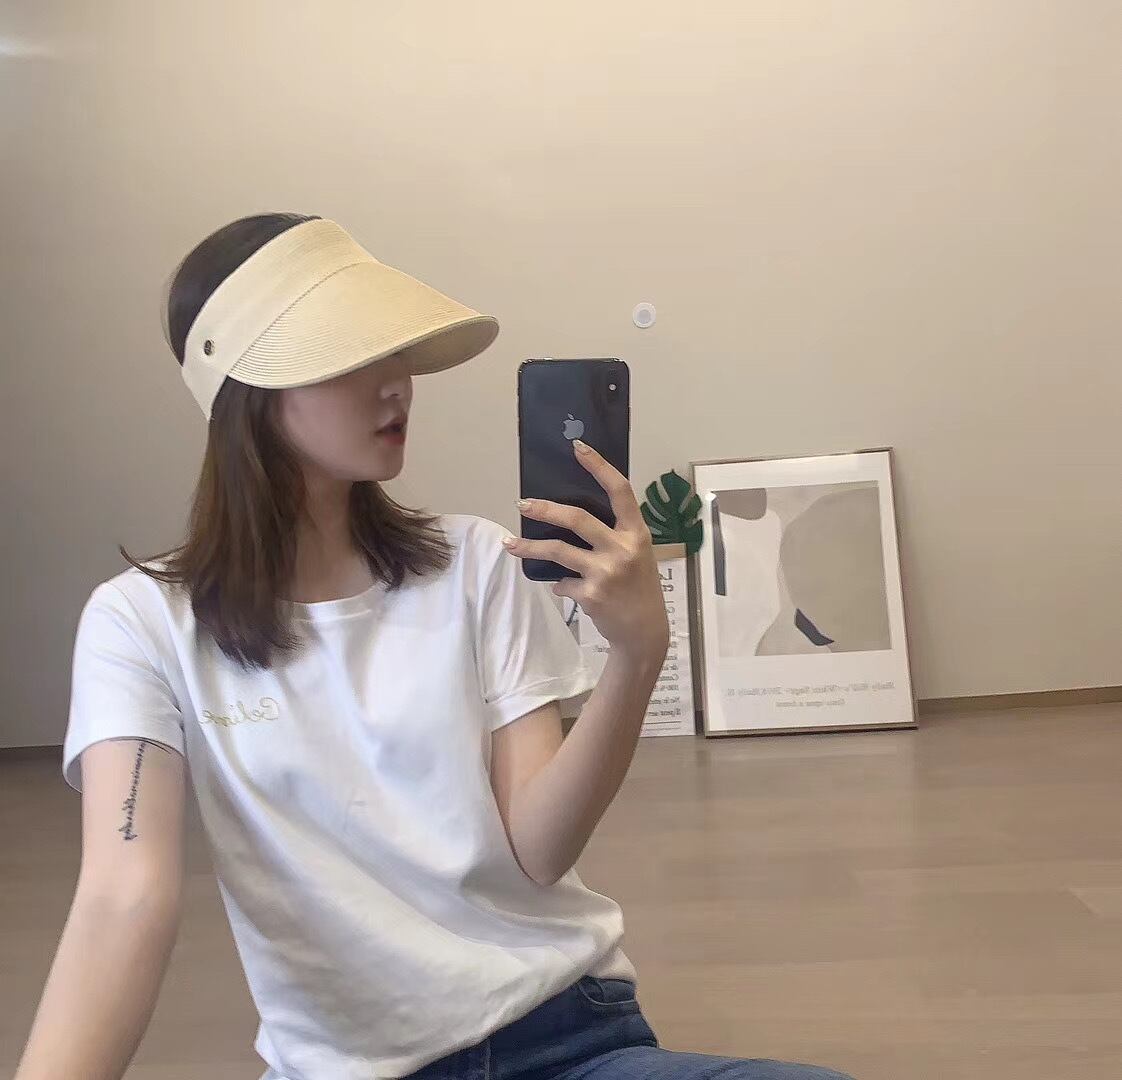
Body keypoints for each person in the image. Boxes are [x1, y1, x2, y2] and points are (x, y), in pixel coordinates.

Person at [16, 214, 855, 1080]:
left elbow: (537, 850)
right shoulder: (142, 624)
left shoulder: (477, 563)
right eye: (353, 357)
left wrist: (637, 657)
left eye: (397, 356)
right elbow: (123, 899)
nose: (399, 386)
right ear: (248, 388)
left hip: (562, 1040)